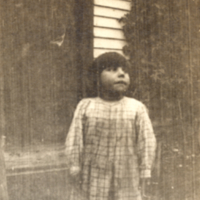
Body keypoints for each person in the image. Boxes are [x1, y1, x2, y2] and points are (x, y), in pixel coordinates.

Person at [65, 52, 156, 200]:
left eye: (125, 72)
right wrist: (74, 166)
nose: (121, 74)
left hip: (127, 173)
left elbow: (147, 141)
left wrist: (145, 170)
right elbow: (75, 139)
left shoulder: (136, 107)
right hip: (93, 174)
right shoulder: (86, 106)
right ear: (96, 77)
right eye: (112, 69)